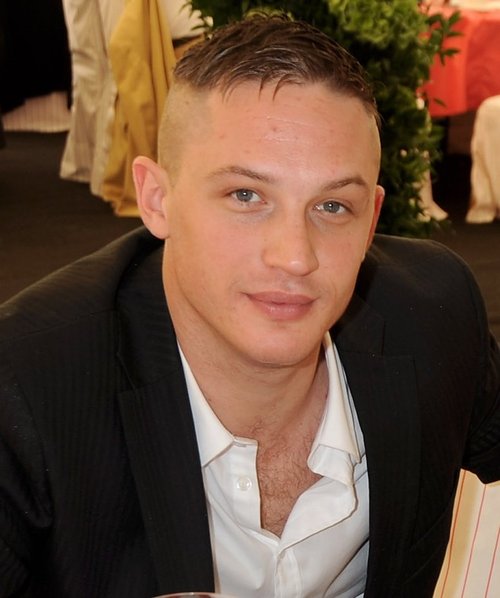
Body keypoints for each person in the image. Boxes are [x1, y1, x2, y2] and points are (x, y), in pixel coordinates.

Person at [0, 14, 499, 598]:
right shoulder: (27, 388)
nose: (295, 257)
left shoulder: (436, 315)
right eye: (246, 195)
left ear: (371, 222)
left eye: (333, 206)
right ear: (156, 200)